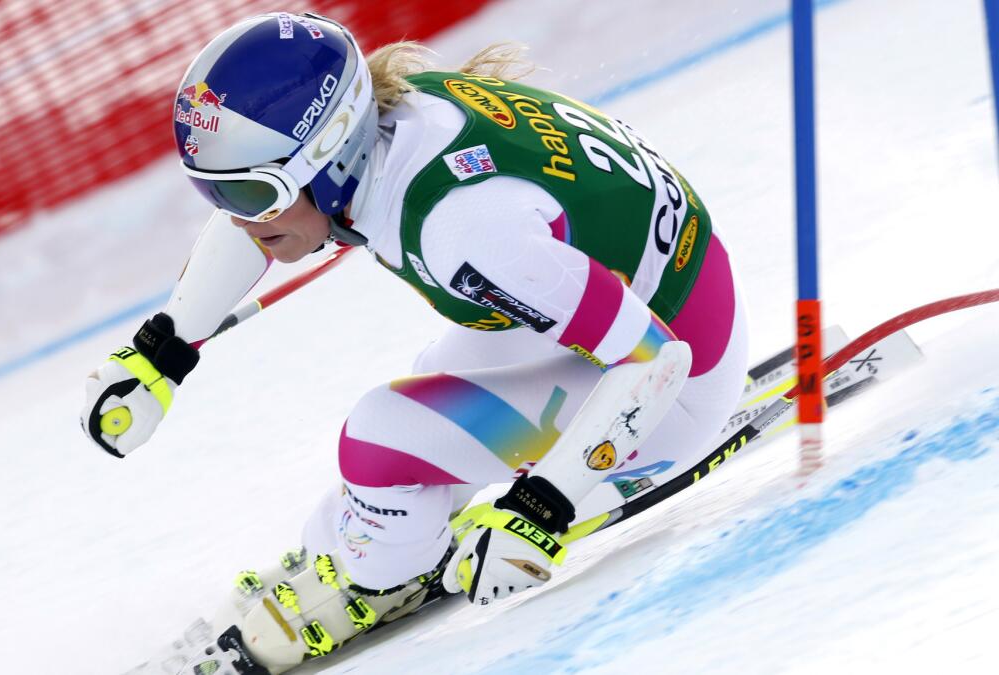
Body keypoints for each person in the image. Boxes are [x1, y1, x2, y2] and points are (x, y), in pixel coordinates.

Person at [82, 12, 747, 674]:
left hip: (674, 387)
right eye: (216, 190)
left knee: (381, 436)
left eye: (253, 191)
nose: (236, 215)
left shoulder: (461, 230)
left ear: (329, 151)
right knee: (433, 389)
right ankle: (364, 545)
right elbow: (253, 225)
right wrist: (159, 353)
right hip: (645, 309)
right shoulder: (394, 130)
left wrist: (542, 509)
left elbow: (658, 359)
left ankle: (376, 576)